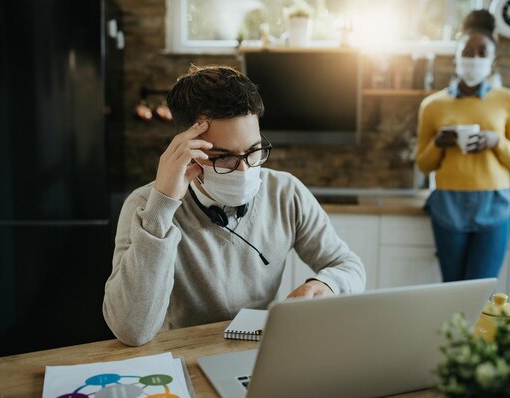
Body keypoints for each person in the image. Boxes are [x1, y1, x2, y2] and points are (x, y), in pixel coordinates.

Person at [103, 65, 366, 346]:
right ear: (187, 152)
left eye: (253, 151)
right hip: (185, 356)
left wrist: (327, 284)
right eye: (223, 157)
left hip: (262, 352)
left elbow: (348, 265)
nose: (244, 170)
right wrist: (163, 208)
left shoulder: (285, 192)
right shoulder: (146, 206)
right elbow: (132, 330)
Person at [415, 10, 510, 282]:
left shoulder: (509, 101)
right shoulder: (432, 105)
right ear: (457, 55)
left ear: (493, 58)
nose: (474, 58)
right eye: (468, 50)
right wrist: (439, 143)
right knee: (454, 290)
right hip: (447, 205)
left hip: (494, 204)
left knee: (481, 293)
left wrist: (496, 142)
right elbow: (423, 164)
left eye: (482, 52)